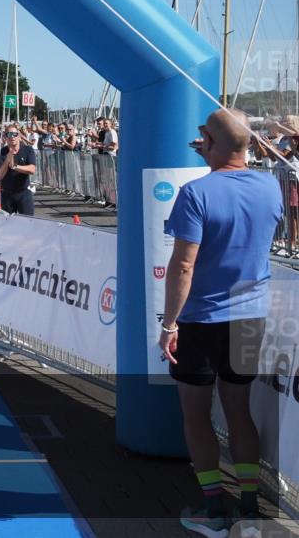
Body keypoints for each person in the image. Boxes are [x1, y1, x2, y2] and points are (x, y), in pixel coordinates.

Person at [160, 108, 283, 537]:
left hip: (202, 319)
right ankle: (249, 509)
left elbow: (182, 268)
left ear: (209, 143)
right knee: (239, 410)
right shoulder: (271, 186)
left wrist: (168, 324)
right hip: (250, 315)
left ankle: (214, 511)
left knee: (196, 415)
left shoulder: (196, 193)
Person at [0, 123, 36, 215]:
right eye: (9, 134)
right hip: (6, 194)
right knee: (8, 225)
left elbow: (32, 169)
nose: (12, 137)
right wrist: (7, 160)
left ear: (19, 136)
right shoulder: (1, 153)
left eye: (15, 134)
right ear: (5, 137)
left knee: (28, 222)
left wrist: (15, 167)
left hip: (23, 192)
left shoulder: (27, 150)